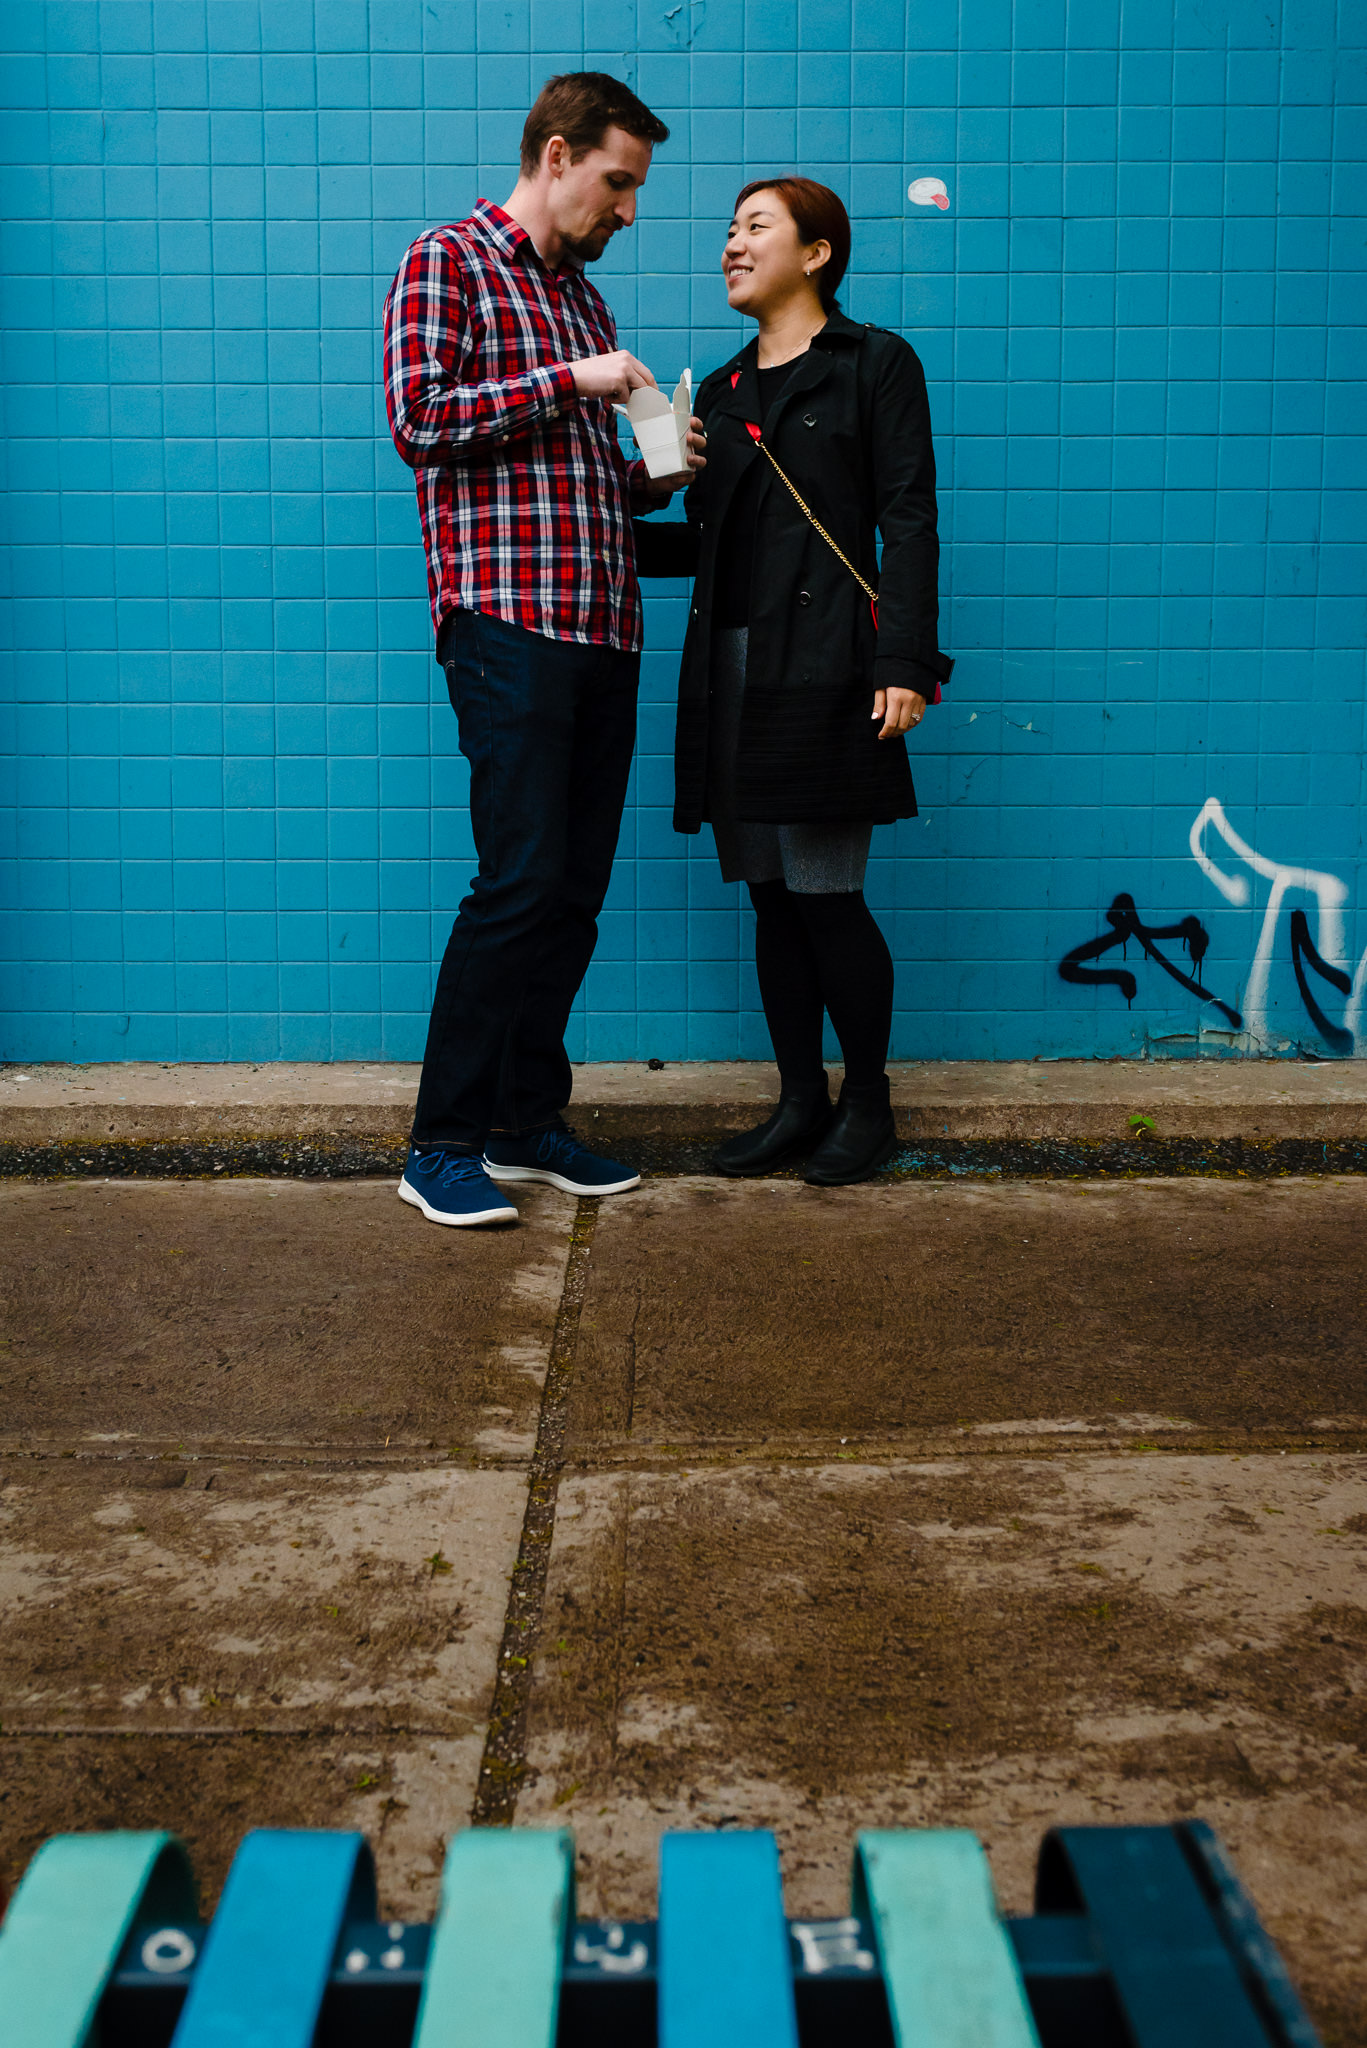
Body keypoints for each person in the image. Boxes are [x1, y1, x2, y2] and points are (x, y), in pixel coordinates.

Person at [382, 74, 705, 1227]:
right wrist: (566, 381)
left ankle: (523, 1119)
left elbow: (583, 485)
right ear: (557, 154)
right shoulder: (449, 261)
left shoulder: (585, 308)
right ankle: (441, 1142)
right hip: (506, 625)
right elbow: (421, 420)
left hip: (601, 631)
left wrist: (657, 466)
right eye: (618, 182)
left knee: (570, 894)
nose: (628, 210)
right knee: (515, 883)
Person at [640, 178, 952, 1185]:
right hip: (729, 668)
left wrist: (901, 663)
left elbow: (906, 519)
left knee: (828, 894)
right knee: (770, 900)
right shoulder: (721, 396)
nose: (730, 244)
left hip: (824, 669)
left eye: (755, 228)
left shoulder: (875, 366)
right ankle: (795, 1100)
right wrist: (640, 492)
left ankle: (867, 1103)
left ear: (816, 253)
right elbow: (705, 549)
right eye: (727, 229)